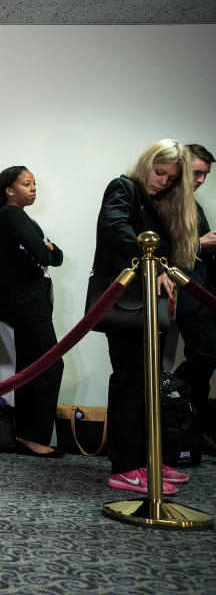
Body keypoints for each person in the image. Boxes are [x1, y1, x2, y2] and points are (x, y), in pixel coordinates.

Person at [93, 139, 197, 495]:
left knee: (147, 385)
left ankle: (145, 460)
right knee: (130, 381)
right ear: (147, 162)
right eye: (160, 172)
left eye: (170, 178)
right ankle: (125, 466)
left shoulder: (156, 201)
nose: (163, 181)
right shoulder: (124, 187)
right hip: (129, 301)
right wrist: (151, 261)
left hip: (150, 306)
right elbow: (113, 227)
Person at [0, 166, 64, 458]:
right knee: (49, 364)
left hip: (24, 299)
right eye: (26, 183)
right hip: (25, 300)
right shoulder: (11, 215)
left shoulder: (19, 216)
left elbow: (54, 255)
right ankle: (34, 437)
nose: (33, 188)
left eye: (35, 183)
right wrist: (44, 247)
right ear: (9, 189)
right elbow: (45, 253)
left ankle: (26, 435)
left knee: (31, 367)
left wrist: (45, 248)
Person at [173, 144, 216, 445]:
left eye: (205, 175)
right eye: (197, 172)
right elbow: (161, 251)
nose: (201, 180)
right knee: (205, 355)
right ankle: (173, 399)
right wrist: (202, 245)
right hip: (185, 291)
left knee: (207, 356)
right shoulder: (168, 202)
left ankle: (193, 425)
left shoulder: (193, 203)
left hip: (203, 289)